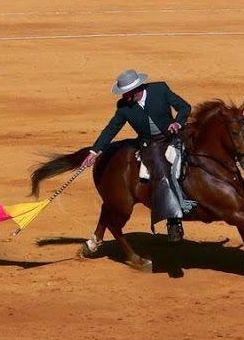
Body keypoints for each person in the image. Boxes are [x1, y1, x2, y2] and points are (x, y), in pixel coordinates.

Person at [82, 69, 192, 242]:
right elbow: (111, 129)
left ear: (138, 88)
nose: (125, 97)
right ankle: (173, 221)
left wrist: (177, 122)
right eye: (124, 93)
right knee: (162, 171)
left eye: (127, 93)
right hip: (151, 146)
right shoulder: (124, 107)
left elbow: (184, 107)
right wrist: (94, 152)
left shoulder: (160, 89)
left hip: (174, 136)